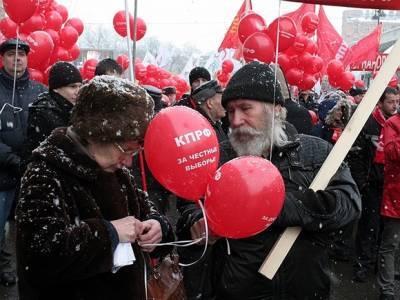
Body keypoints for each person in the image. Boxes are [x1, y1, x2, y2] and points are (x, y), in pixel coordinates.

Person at [181, 62, 361, 299]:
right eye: (231, 111)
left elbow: (349, 204)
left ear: (275, 109)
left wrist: (276, 206)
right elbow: (189, 205)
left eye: (245, 109)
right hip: (240, 289)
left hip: (305, 288)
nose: (235, 120)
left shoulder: (316, 151)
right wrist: (196, 219)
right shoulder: (218, 156)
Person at [16, 76, 174, 299]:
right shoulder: (45, 173)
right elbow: (40, 257)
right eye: (126, 149)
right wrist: (109, 233)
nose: (129, 162)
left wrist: (158, 227)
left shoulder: (116, 172)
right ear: (97, 133)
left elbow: (146, 209)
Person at [0, 38, 47, 286]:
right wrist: (11, 159)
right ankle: (4, 266)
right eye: (10, 54)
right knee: (1, 227)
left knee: (35, 224)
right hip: (3, 175)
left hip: (33, 171)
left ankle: (32, 265)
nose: (16, 58)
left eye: (21, 54)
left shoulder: (39, 91)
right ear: (3, 58)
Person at [350, 87, 400, 282]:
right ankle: (363, 265)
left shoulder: (396, 123)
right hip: (372, 184)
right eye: (391, 102)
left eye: (397, 101)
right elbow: (357, 154)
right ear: (380, 103)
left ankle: (383, 267)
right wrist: (362, 182)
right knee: (368, 227)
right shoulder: (370, 123)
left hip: (392, 185)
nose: (395, 105)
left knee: (387, 232)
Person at [22, 61, 83, 166]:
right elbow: (37, 154)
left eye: (79, 86)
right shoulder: (43, 113)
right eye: (72, 87)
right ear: (56, 88)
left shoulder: (73, 108)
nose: (78, 91)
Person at [377, 107, 400, 300]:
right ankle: (387, 289)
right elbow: (392, 152)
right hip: (395, 195)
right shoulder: (392, 123)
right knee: (390, 243)